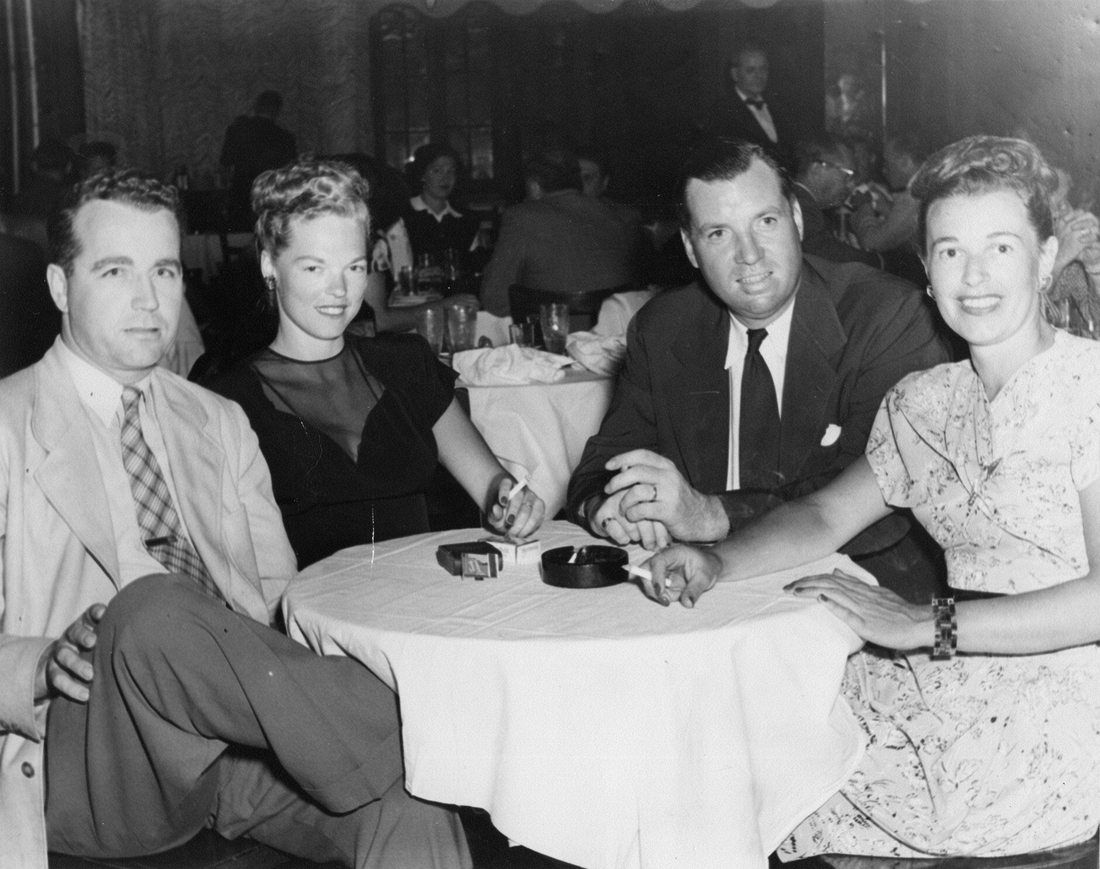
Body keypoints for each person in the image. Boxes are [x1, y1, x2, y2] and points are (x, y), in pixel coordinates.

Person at [643, 136, 1100, 860]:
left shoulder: (1090, 389)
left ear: (1045, 259)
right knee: (726, 739)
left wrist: (926, 623)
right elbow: (826, 514)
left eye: (1001, 248)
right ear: (926, 271)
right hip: (950, 682)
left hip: (1064, 709)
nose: (974, 275)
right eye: (949, 250)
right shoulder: (923, 401)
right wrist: (716, 561)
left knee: (769, 787)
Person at [0, 168, 471, 869]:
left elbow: (277, 601)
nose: (148, 299)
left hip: (228, 749)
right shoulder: (6, 426)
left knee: (409, 807)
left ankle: (408, 742)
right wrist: (36, 664)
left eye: (164, 271)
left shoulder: (217, 419)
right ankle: (434, 725)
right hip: (87, 757)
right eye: (115, 271)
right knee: (150, 608)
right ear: (60, 288)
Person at [567, 137, 948, 600]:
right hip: (696, 591)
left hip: (850, 593)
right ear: (690, 249)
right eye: (718, 234)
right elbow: (601, 465)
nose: (749, 254)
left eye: (765, 222)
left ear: (797, 220)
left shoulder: (887, 317)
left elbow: (872, 502)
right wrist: (612, 505)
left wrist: (711, 515)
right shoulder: (664, 328)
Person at [211, 159, 544, 568]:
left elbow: (492, 485)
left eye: (354, 267)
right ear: (269, 266)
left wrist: (511, 501)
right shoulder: (230, 401)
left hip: (419, 594)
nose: (339, 289)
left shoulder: (407, 364)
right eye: (314, 267)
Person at [478, 149, 643, 318]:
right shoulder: (616, 216)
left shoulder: (523, 216)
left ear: (534, 186)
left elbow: (494, 301)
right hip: (613, 329)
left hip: (555, 331)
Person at [792, 136, 880, 267]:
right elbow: (828, 252)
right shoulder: (800, 206)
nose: (851, 185)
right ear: (817, 170)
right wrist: (879, 261)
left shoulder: (803, 202)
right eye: (848, 176)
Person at [703, 45, 792, 168]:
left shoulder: (780, 106)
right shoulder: (721, 112)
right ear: (735, 74)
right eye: (751, 70)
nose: (759, 76)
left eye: (763, 69)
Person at [219, 90, 298, 230]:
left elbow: (225, 161)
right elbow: (291, 171)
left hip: (242, 194)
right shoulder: (285, 137)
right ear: (277, 110)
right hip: (271, 197)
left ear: (256, 106)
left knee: (239, 235)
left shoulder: (237, 130)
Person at [403, 142, 482, 275]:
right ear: (422, 174)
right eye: (437, 171)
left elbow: (475, 269)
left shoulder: (467, 220)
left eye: (451, 171)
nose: (445, 178)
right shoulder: (403, 214)